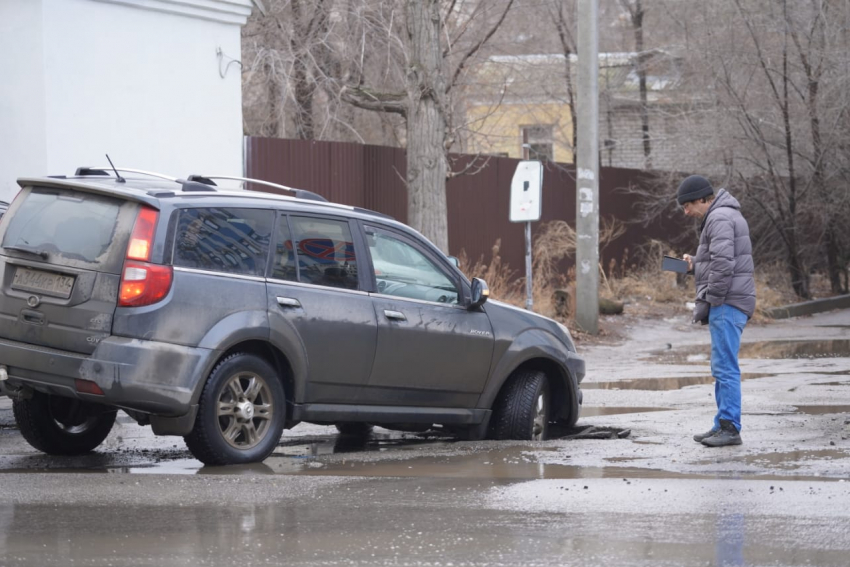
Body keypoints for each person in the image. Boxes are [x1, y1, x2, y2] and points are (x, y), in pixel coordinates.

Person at [678, 175, 756, 447]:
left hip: (727, 302)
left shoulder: (719, 217)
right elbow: (719, 260)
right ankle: (721, 423)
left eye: (687, 205)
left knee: (725, 367)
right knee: (721, 365)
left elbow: (724, 265)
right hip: (731, 299)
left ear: (702, 199)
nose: (686, 212)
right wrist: (694, 265)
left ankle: (730, 428)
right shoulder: (723, 215)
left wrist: (714, 299)